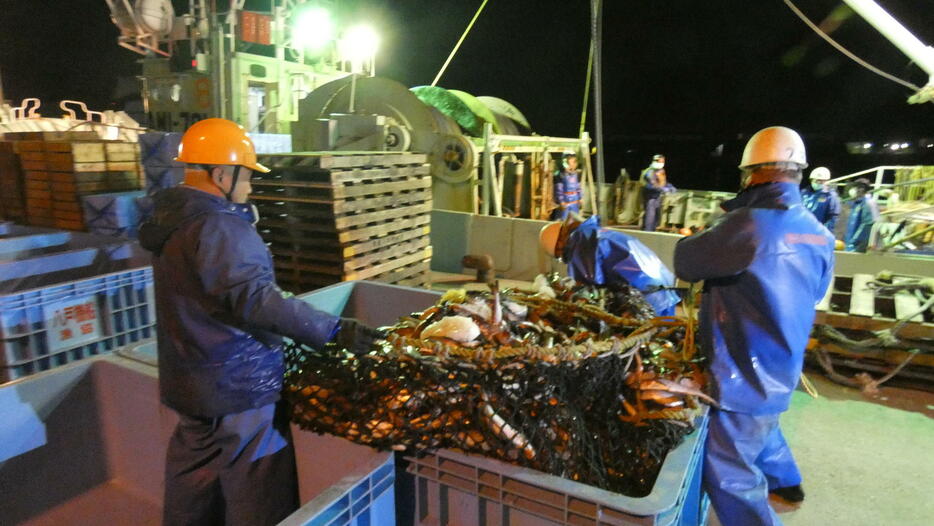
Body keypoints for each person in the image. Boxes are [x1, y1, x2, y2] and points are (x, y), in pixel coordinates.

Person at [139, 118, 383, 526]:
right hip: (237, 386)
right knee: (258, 489)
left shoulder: (172, 219)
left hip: (188, 380)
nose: (251, 187)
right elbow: (256, 300)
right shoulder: (219, 226)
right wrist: (336, 330)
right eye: (247, 176)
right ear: (221, 174)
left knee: (193, 480)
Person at [673, 126, 834, 525]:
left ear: (754, 173)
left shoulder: (747, 225)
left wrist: (694, 237)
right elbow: (815, 293)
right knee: (765, 427)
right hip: (782, 365)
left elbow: (686, 263)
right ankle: (788, 482)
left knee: (728, 472)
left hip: (742, 370)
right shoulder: (820, 234)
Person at [539, 214, 680, 316]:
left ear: (559, 245)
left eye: (559, 255)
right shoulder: (596, 232)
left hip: (646, 300)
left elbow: (589, 284)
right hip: (664, 292)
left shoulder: (580, 241)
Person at [843, 178, 880, 252]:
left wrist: (854, 241)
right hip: (851, 244)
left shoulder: (868, 203)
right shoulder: (858, 203)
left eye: (855, 187)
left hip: (859, 246)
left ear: (862, 189)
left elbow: (867, 225)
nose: (853, 190)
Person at [641, 154, 676, 231]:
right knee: (650, 217)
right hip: (650, 198)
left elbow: (664, 182)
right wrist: (661, 189)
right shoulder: (648, 172)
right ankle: (647, 232)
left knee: (657, 217)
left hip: (658, 198)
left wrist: (670, 187)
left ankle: (653, 231)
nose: (662, 163)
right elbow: (647, 186)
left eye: (663, 161)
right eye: (660, 161)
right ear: (655, 161)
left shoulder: (661, 171)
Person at [801, 166, 842, 232]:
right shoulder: (804, 193)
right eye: (814, 180)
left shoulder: (831, 196)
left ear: (825, 181)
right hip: (801, 229)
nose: (816, 182)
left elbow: (833, 217)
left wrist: (825, 232)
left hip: (817, 232)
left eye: (819, 181)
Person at [552, 151, 582, 220]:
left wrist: (580, 197)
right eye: (572, 161)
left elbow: (578, 187)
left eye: (575, 161)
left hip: (575, 203)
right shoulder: (560, 174)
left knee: (574, 221)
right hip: (565, 203)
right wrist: (561, 201)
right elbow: (558, 190)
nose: (574, 164)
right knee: (563, 221)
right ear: (565, 162)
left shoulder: (576, 174)